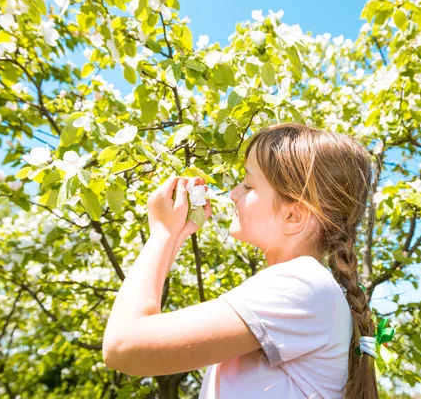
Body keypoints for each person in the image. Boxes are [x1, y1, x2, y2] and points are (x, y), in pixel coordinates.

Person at [102, 122, 379, 398]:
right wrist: (173, 235)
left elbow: (124, 346)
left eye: (248, 185)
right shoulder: (307, 289)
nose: (234, 192)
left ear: (293, 216)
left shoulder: (302, 283)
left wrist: (162, 234)